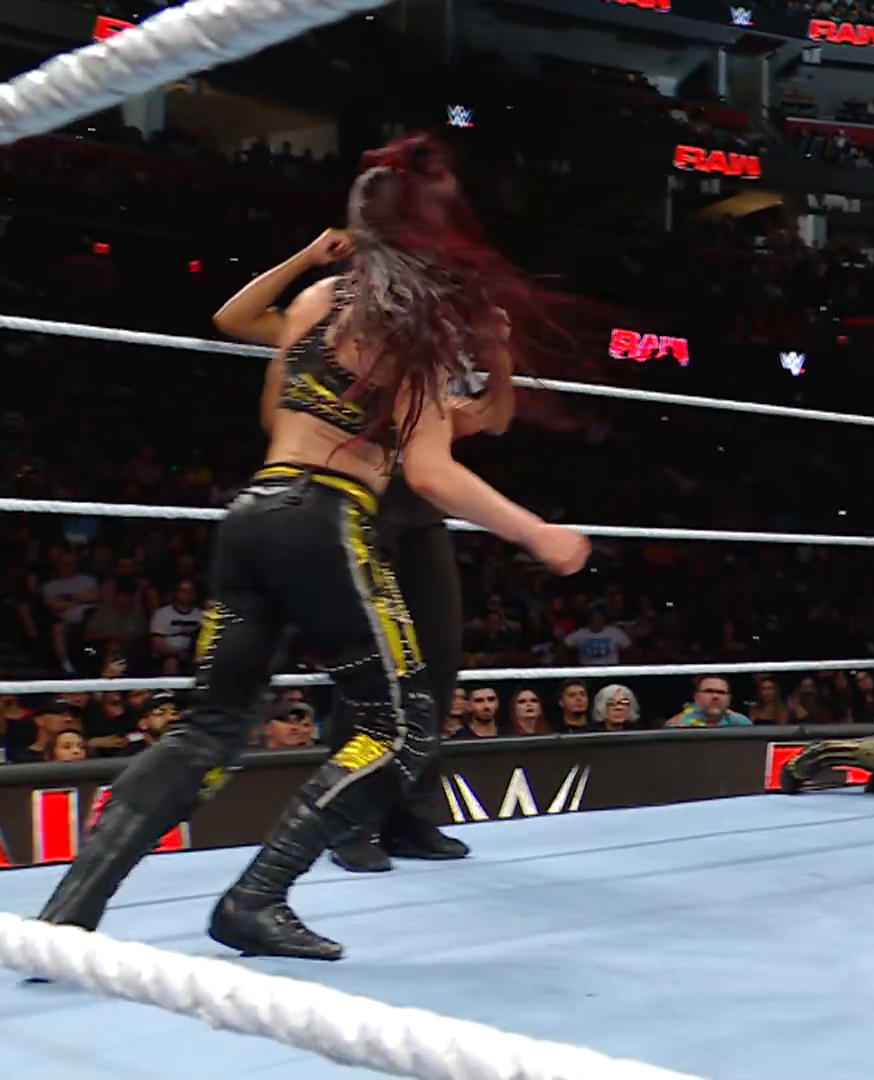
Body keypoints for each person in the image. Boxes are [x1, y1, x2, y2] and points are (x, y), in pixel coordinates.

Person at [35, 135, 590, 961]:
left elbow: (276, 412)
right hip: (324, 521)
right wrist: (537, 531)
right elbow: (431, 472)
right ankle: (256, 898)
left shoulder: (317, 300)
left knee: (210, 728)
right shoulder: (411, 322)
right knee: (402, 724)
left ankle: (66, 915)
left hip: (253, 513)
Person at [214, 217, 506, 875]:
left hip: (419, 508)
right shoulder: (322, 320)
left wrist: (496, 352)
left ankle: (410, 814)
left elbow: (482, 418)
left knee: (437, 663)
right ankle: (351, 819)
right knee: (372, 668)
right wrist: (306, 256)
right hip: (349, 503)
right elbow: (233, 318)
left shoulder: (431, 340)